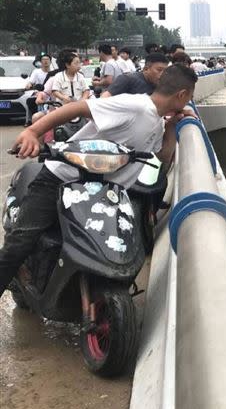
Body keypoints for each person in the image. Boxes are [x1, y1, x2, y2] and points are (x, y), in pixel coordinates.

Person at [0, 64, 198, 299]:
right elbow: (79, 107)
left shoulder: (156, 120)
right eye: (190, 97)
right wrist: (32, 132)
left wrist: (172, 126)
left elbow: (162, 158)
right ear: (182, 95)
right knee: (20, 243)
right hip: (61, 180)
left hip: (103, 194)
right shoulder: (134, 105)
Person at [101, 53, 168, 97]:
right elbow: (104, 99)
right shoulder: (127, 79)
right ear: (146, 69)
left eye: (166, 71)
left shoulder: (162, 86)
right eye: (159, 70)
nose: (163, 74)